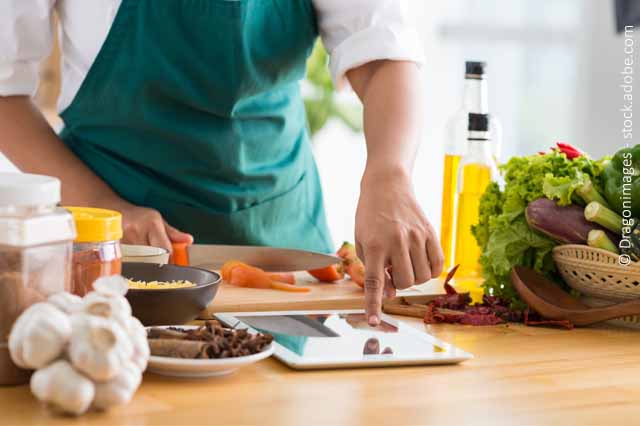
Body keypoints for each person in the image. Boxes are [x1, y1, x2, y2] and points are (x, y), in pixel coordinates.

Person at [0, 0, 443, 325]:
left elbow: (382, 52)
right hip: (119, 265)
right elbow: (5, 92)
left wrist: (390, 174)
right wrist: (102, 204)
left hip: (290, 262)